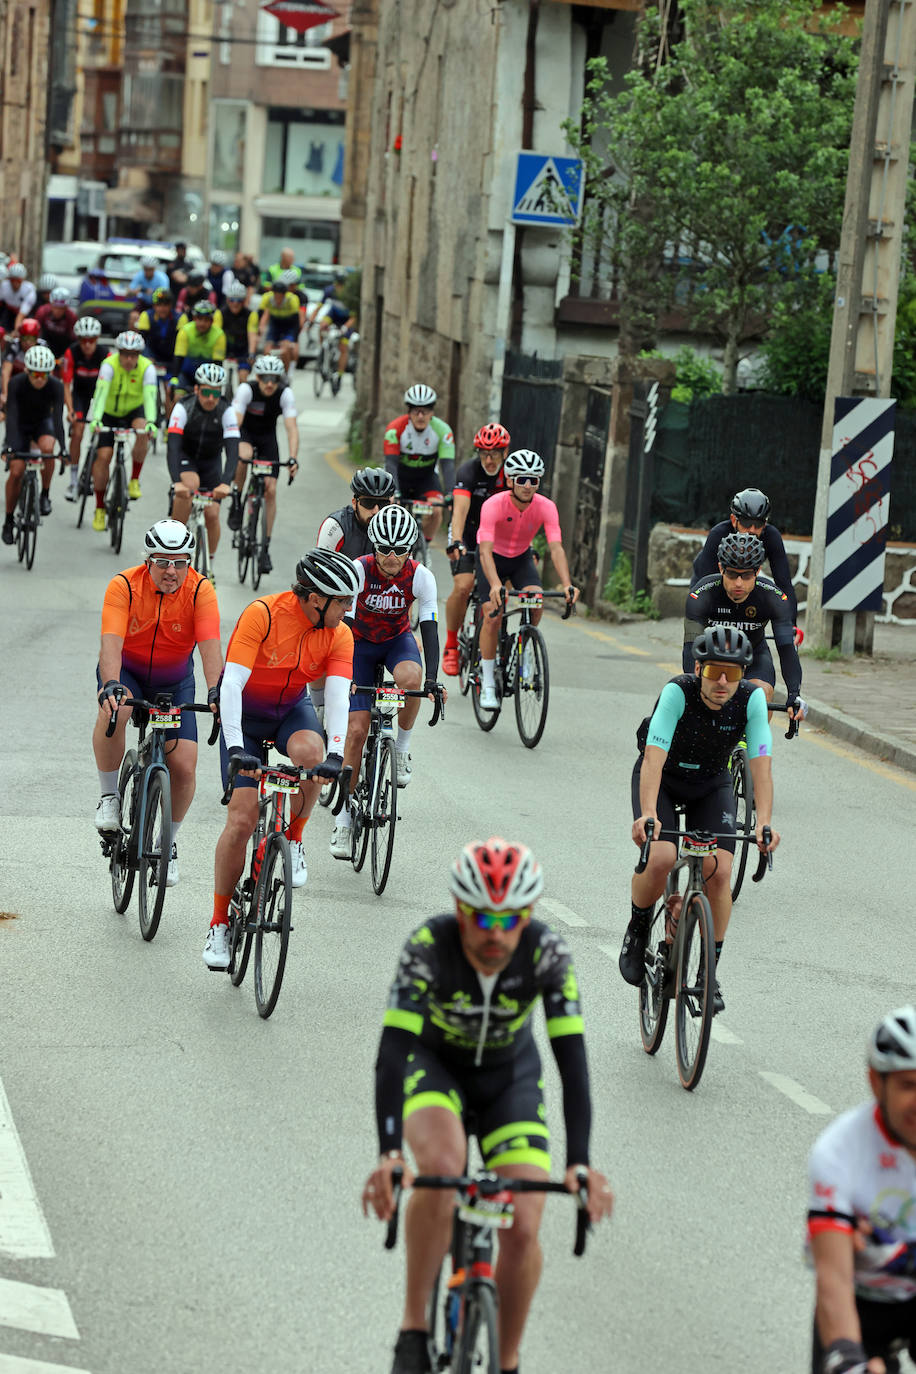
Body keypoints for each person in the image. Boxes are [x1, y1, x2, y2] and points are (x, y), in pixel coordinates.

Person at [362, 836, 615, 1374]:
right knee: (443, 1166)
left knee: (525, 1222)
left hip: (509, 1079)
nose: (496, 934)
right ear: (460, 908)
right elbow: (392, 1055)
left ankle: (508, 1358)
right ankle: (413, 1328)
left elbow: (573, 1063)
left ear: (527, 915)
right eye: (482, 918)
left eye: (510, 919)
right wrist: (389, 1154)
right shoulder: (428, 945)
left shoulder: (547, 952)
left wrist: (580, 1162)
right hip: (436, 1067)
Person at [204, 549, 360, 969]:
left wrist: (335, 753)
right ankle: (219, 922)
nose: (348, 609)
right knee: (241, 819)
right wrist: (236, 747)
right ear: (315, 598)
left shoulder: (340, 632)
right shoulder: (264, 614)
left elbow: (338, 694)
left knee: (312, 755)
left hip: (290, 711)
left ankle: (293, 839)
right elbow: (232, 683)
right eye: (343, 601)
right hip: (246, 719)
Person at [620, 625, 780, 1012]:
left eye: (734, 672)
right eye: (713, 672)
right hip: (664, 780)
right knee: (660, 857)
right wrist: (646, 815)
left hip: (710, 784)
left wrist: (764, 823)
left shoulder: (751, 700)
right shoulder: (677, 692)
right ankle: (638, 927)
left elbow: (761, 768)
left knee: (720, 872)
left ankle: (709, 972)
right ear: (698, 668)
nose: (723, 681)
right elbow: (654, 758)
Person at [93, 520, 223, 888]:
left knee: (183, 765)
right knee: (114, 712)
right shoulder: (124, 586)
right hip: (127, 673)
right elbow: (111, 643)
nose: (172, 571)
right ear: (148, 561)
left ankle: (168, 842)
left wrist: (215, 691)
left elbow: (211, 647)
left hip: (174, 681)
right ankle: (108, 796)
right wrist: (112, 685)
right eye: (163, 561)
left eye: (180, 562)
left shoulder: (201, 591)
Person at [807, 1006, 916, 1374]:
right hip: (860, 1300)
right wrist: (847, 1358)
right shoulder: (838, 1152)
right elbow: (834, 1279)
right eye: (909, 1085)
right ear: (875, 1081)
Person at [329, 504, 441, 856]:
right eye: (384, 550)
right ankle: (344, 821)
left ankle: (403, 748)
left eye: (400, 551)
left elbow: (429, 626)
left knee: (413, 678)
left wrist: (434, 679)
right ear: (372, 547)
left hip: (395, 640)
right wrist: (343, 674)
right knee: (357, 731)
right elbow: (342, 626)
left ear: (410, 551)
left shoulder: (421, 576)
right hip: (358, 644)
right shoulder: (357, 570)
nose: (391, 557)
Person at [475, 449, 578, 710]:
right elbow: (485, 550)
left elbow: (556, 548)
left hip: (521, 558)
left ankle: (527, 645)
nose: (528, 485)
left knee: (536, 600)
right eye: (522, 479)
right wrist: (496, 584)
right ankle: (487, 682)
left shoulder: (546, 507)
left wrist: (567, 584)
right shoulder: (493, 505)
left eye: (534, 480)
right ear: (509, 479)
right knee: (493, 614)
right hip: (492, 558)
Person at [683, 530, 807, 712]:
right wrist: (693, 688)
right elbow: (690, 647)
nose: (739, 583)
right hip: (712, 659)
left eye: (747, 575)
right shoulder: (701, 594)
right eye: (732, 575)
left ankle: (754, 741)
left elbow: (787, 648)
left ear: (758, 571)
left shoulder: (773, 597)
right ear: (720, 569)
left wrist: (794, 695)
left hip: (754, 656)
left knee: (760, 694)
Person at [442, 422, 510, 675]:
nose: (489, 459)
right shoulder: (469, 471)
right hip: (469, 535)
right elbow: (459, 511)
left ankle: (491, 641)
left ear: (505, 453)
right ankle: (451, 644)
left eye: (494, 453)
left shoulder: (512, 474)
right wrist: (456, 540)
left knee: (500, 592)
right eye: (483, 453)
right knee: (463, 586)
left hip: (499, 539)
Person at [227, 354, 299, 575]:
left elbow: (291, 428)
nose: (269, 383)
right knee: (243, 455)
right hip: (246, 433)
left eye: (274, 379)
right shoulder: (246, 390)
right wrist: (231, 447)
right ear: (257, 377)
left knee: (270, 490)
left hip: (268, 440)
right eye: (265, 378)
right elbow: (236, 421)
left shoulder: (285, 393)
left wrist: (293, 457)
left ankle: (265, 547)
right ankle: (237, 500)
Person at [167, 362, 239, 576]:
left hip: (211, 462)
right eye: (206, 392)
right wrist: (176, 481)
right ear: (197, 389)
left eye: (216, 393)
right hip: (186, 457)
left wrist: (226, 483)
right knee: (189, 486)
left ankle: (209, 566)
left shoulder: (226, 410)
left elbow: (233, 451)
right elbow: (172, 446)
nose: (211, 398)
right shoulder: (183, 407)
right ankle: (173, 546)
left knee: (212, 513)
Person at [691, 487, 798, 621]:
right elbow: (704, 584)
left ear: (765, 524)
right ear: (734, 520)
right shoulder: (718, 534)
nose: (752, 530)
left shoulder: (772, 537)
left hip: (745, 586)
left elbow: (784, 584)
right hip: (711, 580)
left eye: (758, 524)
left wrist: (791, 625)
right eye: (746, 523)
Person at [87, 329, 158, 527]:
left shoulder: (147, 368)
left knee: (143, 430)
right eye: (125, 354)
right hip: (109, 413)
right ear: (119, 352)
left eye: (133, 355)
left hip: (133, 411)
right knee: (104, 457)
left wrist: (152, 420)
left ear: (139, 355)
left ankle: (134, 479)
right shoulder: (108, 365)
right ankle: (100, 507)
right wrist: (97, 419)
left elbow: (150, 397)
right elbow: (100, 394)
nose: (128, 359)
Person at [1, 344, 65, 543]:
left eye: (44, 374)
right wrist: (9, 445)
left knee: (48, 449)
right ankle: (9, 520)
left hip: (41, 424)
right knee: (17, 470)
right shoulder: (16, 383)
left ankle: (44, 494)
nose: (39, 379)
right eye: (36, 374)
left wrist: (62, 448)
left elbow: (57, 420)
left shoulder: (56, 386)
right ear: (27, 370)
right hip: (19, 425)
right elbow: (11, 417)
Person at [383, 384, 455, 545]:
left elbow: (448, 466)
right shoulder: (395, 429)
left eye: (426, 411)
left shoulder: (443, 431)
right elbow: (391, 464)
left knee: (436, 511)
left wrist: (450, 492)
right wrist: (394, 490)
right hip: (400, 478)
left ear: (432, 412)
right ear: (409, 412)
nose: (421, 416)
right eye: (416, 411)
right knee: (388, 511)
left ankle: (424, 546)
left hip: (426, 479)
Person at [60, 316, 107, 502]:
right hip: (80, 394)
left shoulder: (105, 355)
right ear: (78, 339)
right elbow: (66, 385)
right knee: (78, 431)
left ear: (98, 339)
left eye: (92, 340)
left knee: (102, 431)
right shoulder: (72, 352)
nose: (87, 345)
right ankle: (72, 482)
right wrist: (70, 410)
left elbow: (108, 387)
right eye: (83, 340)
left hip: (100, 393)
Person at [315, 465, 397, 560]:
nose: (376, 511)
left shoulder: (397, 527)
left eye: (383, 504)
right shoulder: (336, 525)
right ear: (354, 503)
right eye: (368, 503)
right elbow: (319, 567)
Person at [170, 301, 227, 399]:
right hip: (187, 373)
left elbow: (218, 364)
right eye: (199, 319)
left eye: (206, 320)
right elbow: (178, 357)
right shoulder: (185, 331)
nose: (202, 323)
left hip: (207, 377)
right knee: (177, 396)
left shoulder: (219, 335)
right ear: (194, 318)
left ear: (212, 321)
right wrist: (174, 378)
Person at [306, 272, 355, 376]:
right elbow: (318, 307)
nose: (339, 288)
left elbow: (353, 317)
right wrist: (311, 320)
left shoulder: (350, 295)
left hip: (347, 319)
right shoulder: (329, 290)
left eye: (341, 286)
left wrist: (345, 327)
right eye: (337, 285)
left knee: (343, 347)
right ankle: (323, 350)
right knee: (322, 325)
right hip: (334, 315)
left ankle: (339, 374)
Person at [257, 271, 303, 372]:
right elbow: (260, 315)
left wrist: (294, 340)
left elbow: (296, 322)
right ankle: (266, 372)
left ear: (285, 294)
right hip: (275, 323)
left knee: (285, 350)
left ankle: (286, 374)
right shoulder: (267, 298)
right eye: (276, 295)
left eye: (280, 295)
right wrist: (259, 331)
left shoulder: (292, 299)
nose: (278, 298)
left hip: (289, 325)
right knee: (267, 350)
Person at [0, 317, 43, 411]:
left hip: (35, 381)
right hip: (13, 381)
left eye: (31, 338)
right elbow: (5, 371)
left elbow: (48, 376)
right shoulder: (14, 346)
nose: (28, 342)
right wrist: (5, 394)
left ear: (37, 338)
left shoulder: (43, 348)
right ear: (19, 337)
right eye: (25, 338)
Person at [220, 280, 258, 385]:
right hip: (224, 350)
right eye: (232, 300)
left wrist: (251, 353)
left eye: (239, 300)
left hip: (243, 351)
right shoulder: (220, 313)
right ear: (227, 300)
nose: (235, 303)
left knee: (242, 378)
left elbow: (252, 335)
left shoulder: (251, 315)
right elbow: (216, 334)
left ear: (244, 301)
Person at [35, 287, 77, 363]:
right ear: (50, 304)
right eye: (55, 307)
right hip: (45, 344)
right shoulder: (42, 312)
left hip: (63, 347)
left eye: (61, 308)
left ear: (66, 307)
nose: (57, 311)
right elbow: (36, 335)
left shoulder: (71, 317)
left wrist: (66, 355)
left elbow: (73, 341)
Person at [127, 255, 170, 320]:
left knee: (158, 317)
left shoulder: (162, 278)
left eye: (150, 270)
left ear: (154, 269)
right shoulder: (140, 275)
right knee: (133, 316)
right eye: (146, 269)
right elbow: (128, 293)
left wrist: (154, 292)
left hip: (157, 303)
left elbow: (165, 295)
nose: (148, 272)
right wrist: (136, 291)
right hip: (143, 302)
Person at [0, 263, 36, 332]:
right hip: (8, 312)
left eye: (18, 280)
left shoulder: (29, 289)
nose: (15, 283)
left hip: (23, 314)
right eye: (12, 280)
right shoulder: (3, 286)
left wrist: (16, 330)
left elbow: (21, 314)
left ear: (23, 279)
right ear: (9, 279)